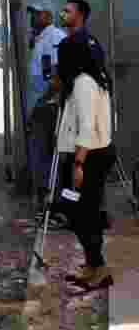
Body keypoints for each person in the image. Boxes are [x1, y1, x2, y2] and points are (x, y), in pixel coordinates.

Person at [54, 36, 115, 293]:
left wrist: (78, 164)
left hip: (88, 158)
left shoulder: (84, 83)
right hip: (90, 155)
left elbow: (88, 127)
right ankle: (92, 265)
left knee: (82, 216)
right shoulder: (88, 80)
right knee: (81, 213)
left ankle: (99, 270)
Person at [25, 0, 66, 223]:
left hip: (48, 106)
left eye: (37, 14)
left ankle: (54, 206)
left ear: (48, 16)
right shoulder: (39, 38)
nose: (33, 18)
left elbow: (58, 76)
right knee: (40, 156)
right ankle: (45, 205)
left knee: (47, 157)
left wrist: (44, 101)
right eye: (33, 14)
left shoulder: (55, 37)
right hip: (40, 105)